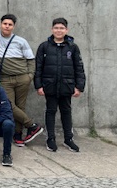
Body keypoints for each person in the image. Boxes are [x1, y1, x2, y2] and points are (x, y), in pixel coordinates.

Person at [0, 14, 42, 146]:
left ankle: (18, 135)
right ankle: (32, 125)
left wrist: (30, 76)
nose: (7, 26)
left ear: (14, 26)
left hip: (23, 78)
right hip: (5, 78)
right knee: (9, 106)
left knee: (20, 107)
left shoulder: (21, 41)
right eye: (5, 24)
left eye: (10, 24)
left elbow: (31, 60)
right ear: (0, 24)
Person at [34, 17, 86, 153]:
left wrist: (79, 86)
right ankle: (50, 139)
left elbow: (79, 68)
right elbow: (38, 68)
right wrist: (39, 85)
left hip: (67, 86)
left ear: (66, 30)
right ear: (52, 29)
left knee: (66, 112)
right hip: (49, 86)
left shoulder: (72, 47)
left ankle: (68, 139)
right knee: (50, 111)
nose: (59, 30)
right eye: (56, 28)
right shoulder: (44, 46)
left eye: (62, 28)